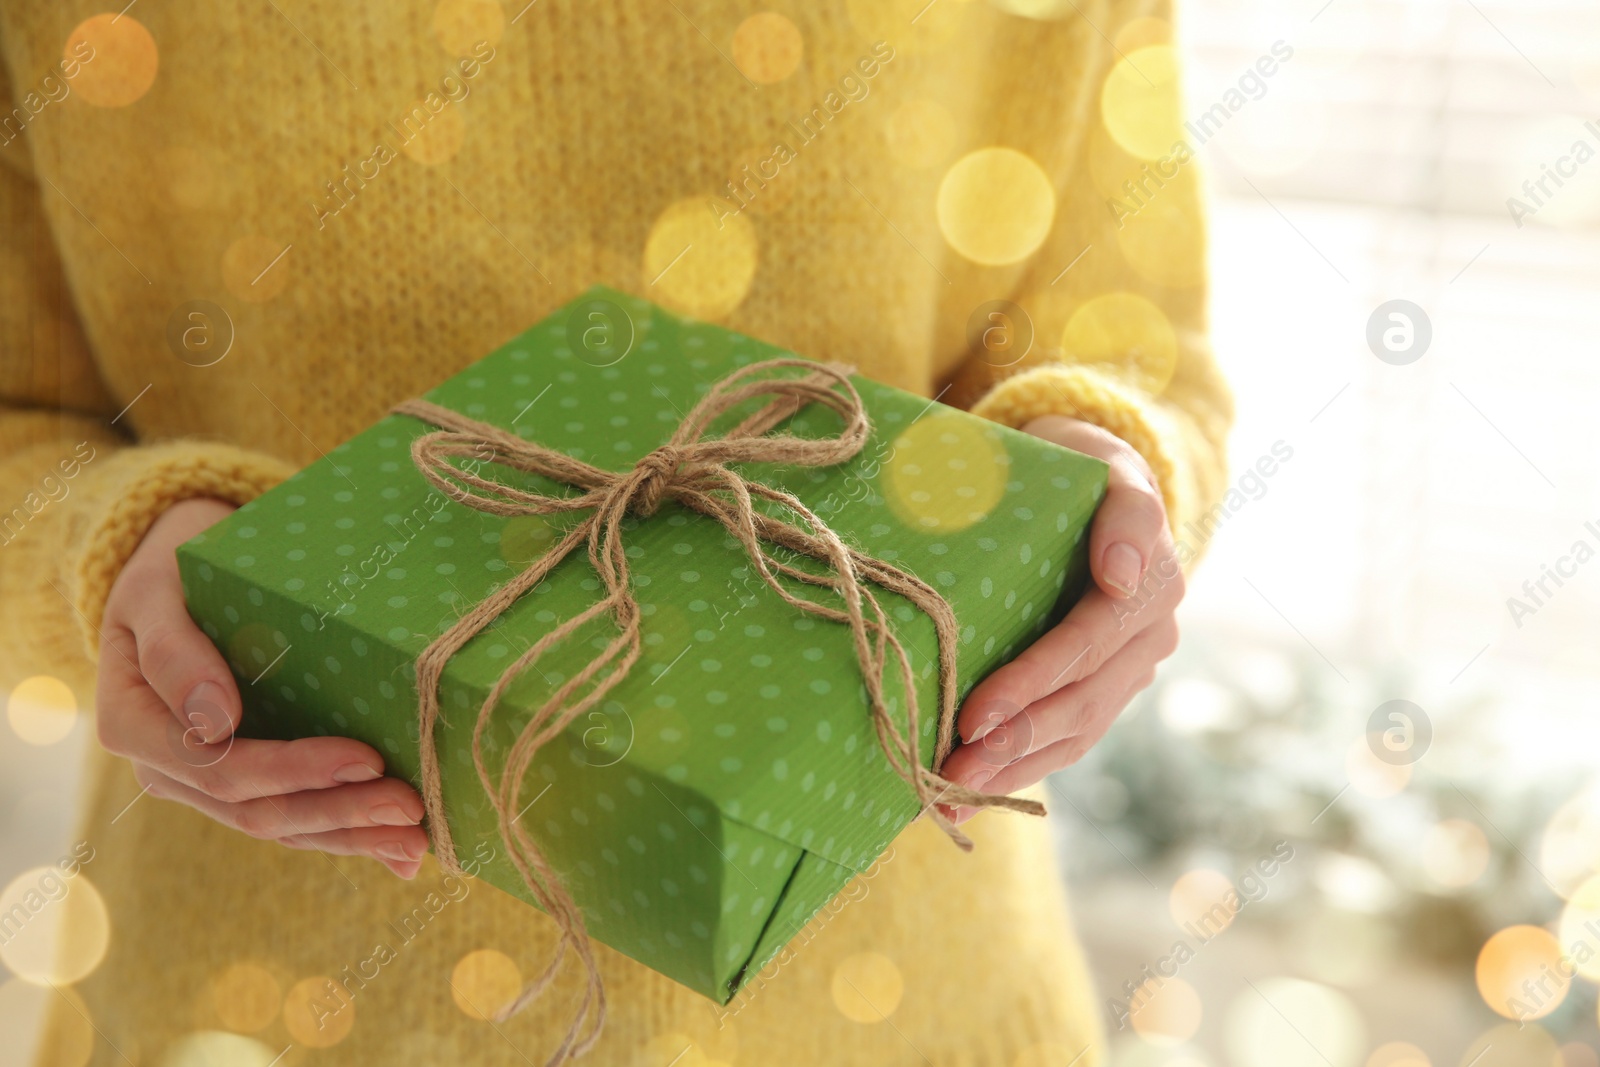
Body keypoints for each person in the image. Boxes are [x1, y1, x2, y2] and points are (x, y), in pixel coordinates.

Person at [3, 2, 1230, 1063]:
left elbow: (1129, 344)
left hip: (918, 993)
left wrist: (1091, 489)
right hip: (252, 999)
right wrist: (110, 545)